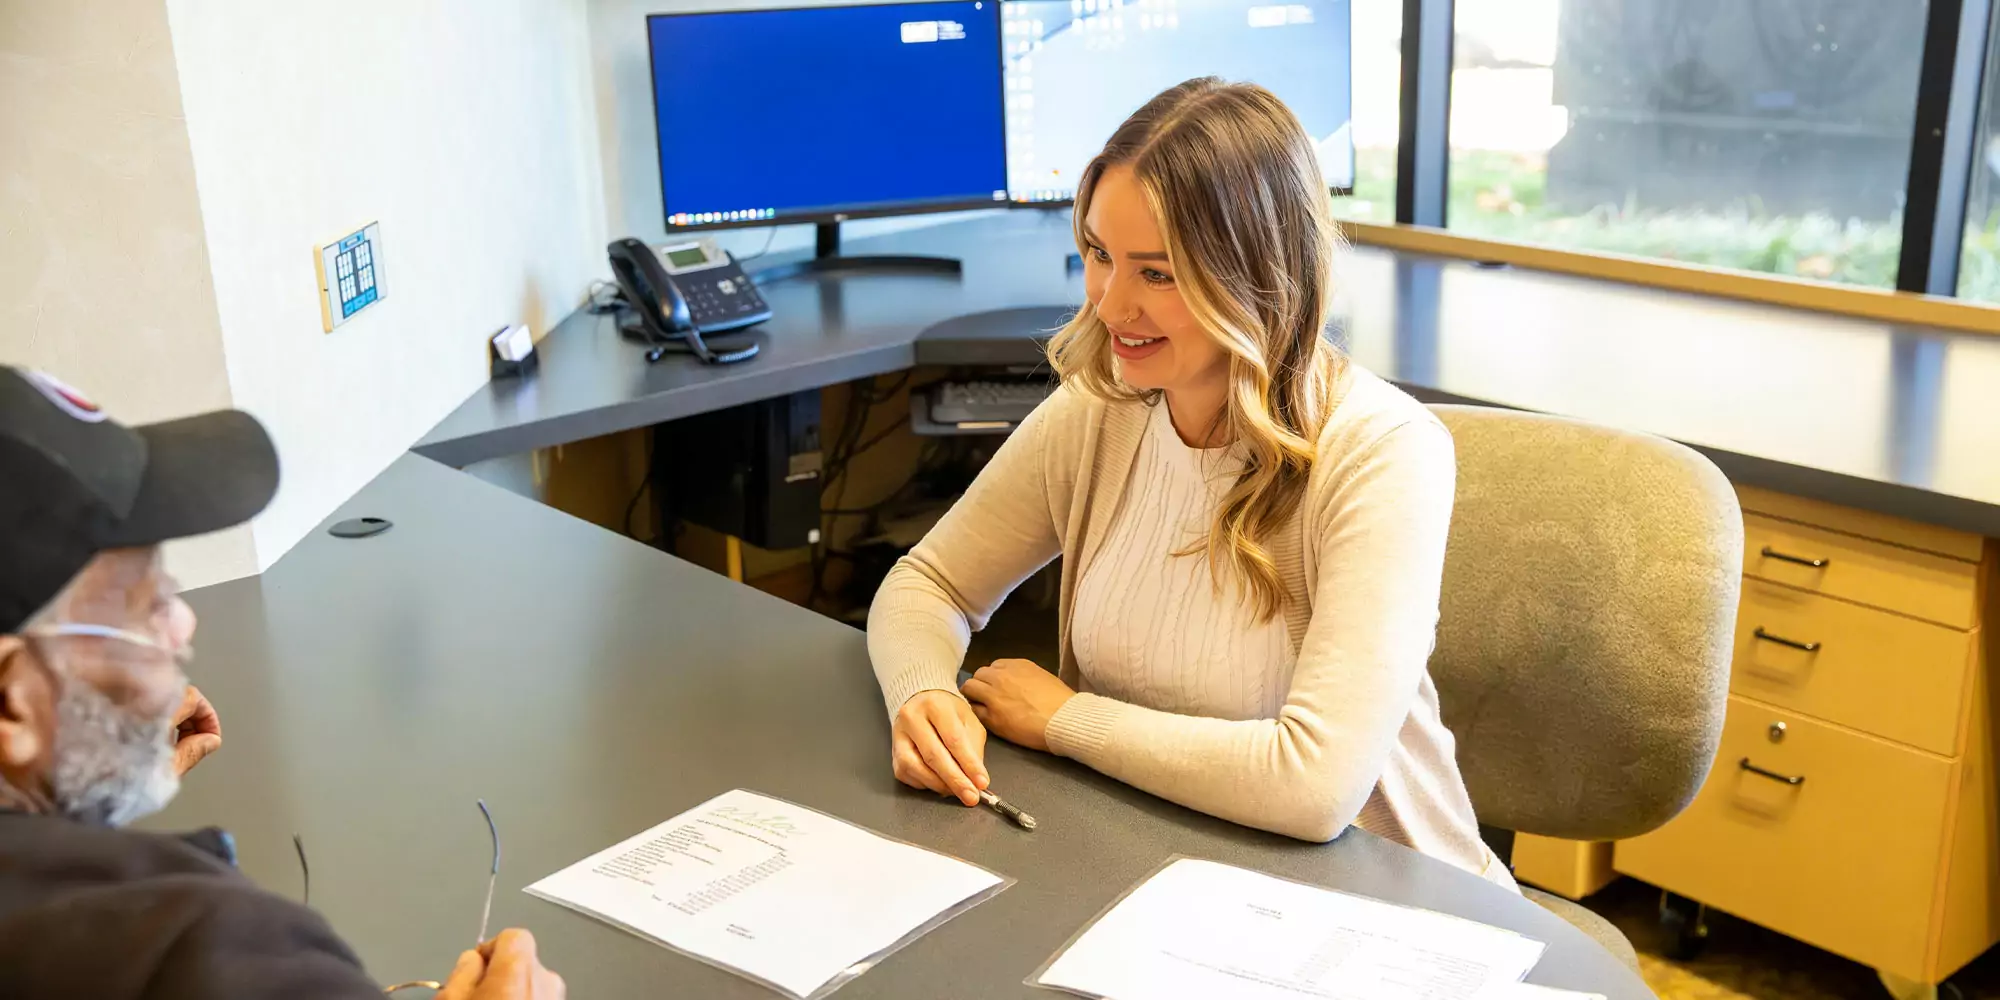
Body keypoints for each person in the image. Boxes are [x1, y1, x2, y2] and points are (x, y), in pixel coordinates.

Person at [868, 79, 1513, 886]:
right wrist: (922, 693)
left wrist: (1069, 721)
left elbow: (1316, 788)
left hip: (1380, 901)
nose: (1110, 305)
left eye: (1159, 274)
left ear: (1261, 275)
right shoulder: (1105, 408)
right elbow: (928, 583)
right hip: (1152, 867)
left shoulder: (1382, 452)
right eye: (1099, 254)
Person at [0, 366, 566, 997]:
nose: (183, 623)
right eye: (146, 602)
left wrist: (70, 765)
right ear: (11, 703)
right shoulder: (209, 950)